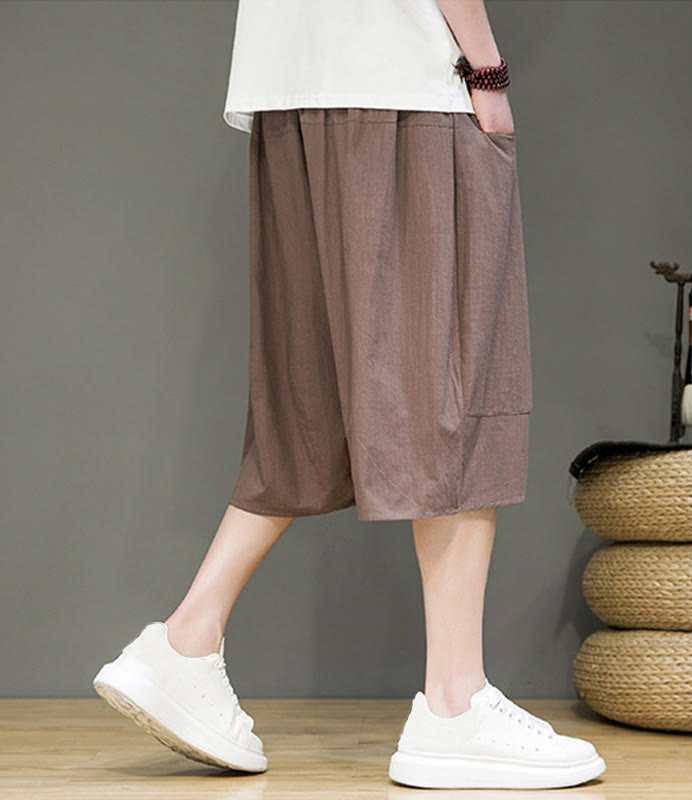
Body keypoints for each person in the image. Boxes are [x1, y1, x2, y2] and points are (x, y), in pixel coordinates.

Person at [92, 0, 606, 790]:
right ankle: (454, 703)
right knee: (456, 383)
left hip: (286, 89)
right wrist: (486, 67)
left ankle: (187, 640)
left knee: (313, 399)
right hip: (405, 80)